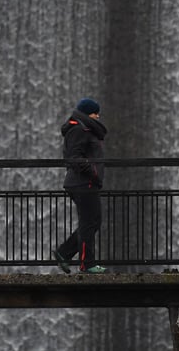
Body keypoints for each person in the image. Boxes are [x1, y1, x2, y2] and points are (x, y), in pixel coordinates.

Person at [52, 97, 108, 274]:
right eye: (94, 112)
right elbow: (73, 157)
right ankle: (87, 264)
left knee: (93, 222)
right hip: (83, 183)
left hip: (85, 183)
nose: (98, 116)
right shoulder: (79, 130)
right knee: (89, 223)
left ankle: (64, 252)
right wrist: (93, 171)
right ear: (86, 113)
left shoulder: (84, 129)